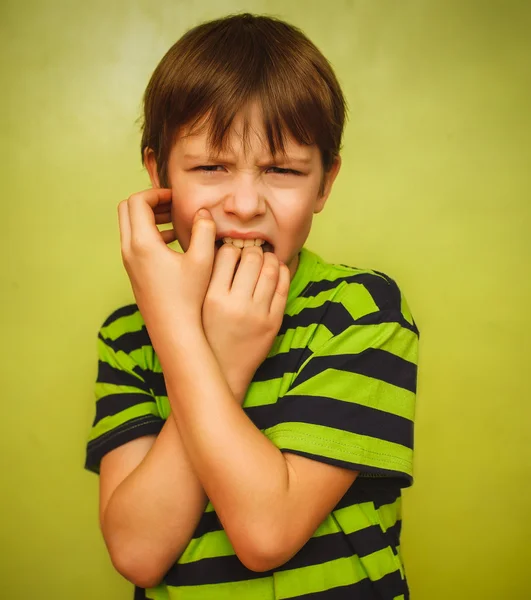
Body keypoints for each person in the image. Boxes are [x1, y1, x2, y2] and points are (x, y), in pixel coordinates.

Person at [85, 12, 419, 600]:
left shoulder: (361, 312)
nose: (244, 203)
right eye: (210, 166)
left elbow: (266, 533)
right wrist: (214, 349)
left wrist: (194, 346)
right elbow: (137, 553)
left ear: (324, 183)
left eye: (282, 170)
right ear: (157, 171)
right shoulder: (129, 335)